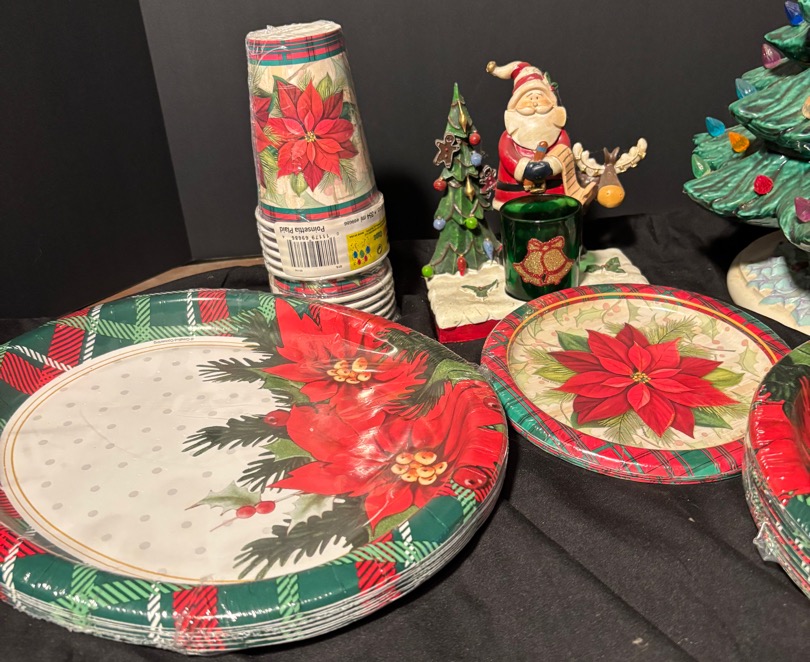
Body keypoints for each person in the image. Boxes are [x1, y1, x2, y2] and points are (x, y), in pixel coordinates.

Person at [487, 60, 570, 210]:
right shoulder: (509, 136)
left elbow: (564, 151)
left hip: (554, 190)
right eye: (527, 96)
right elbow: (506, 154)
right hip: (515, 193)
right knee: (517, 213)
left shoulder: (558, 132)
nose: (534, 101)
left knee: (554, 211)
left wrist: (551, 165)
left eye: (539, 95)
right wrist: (524, 167)